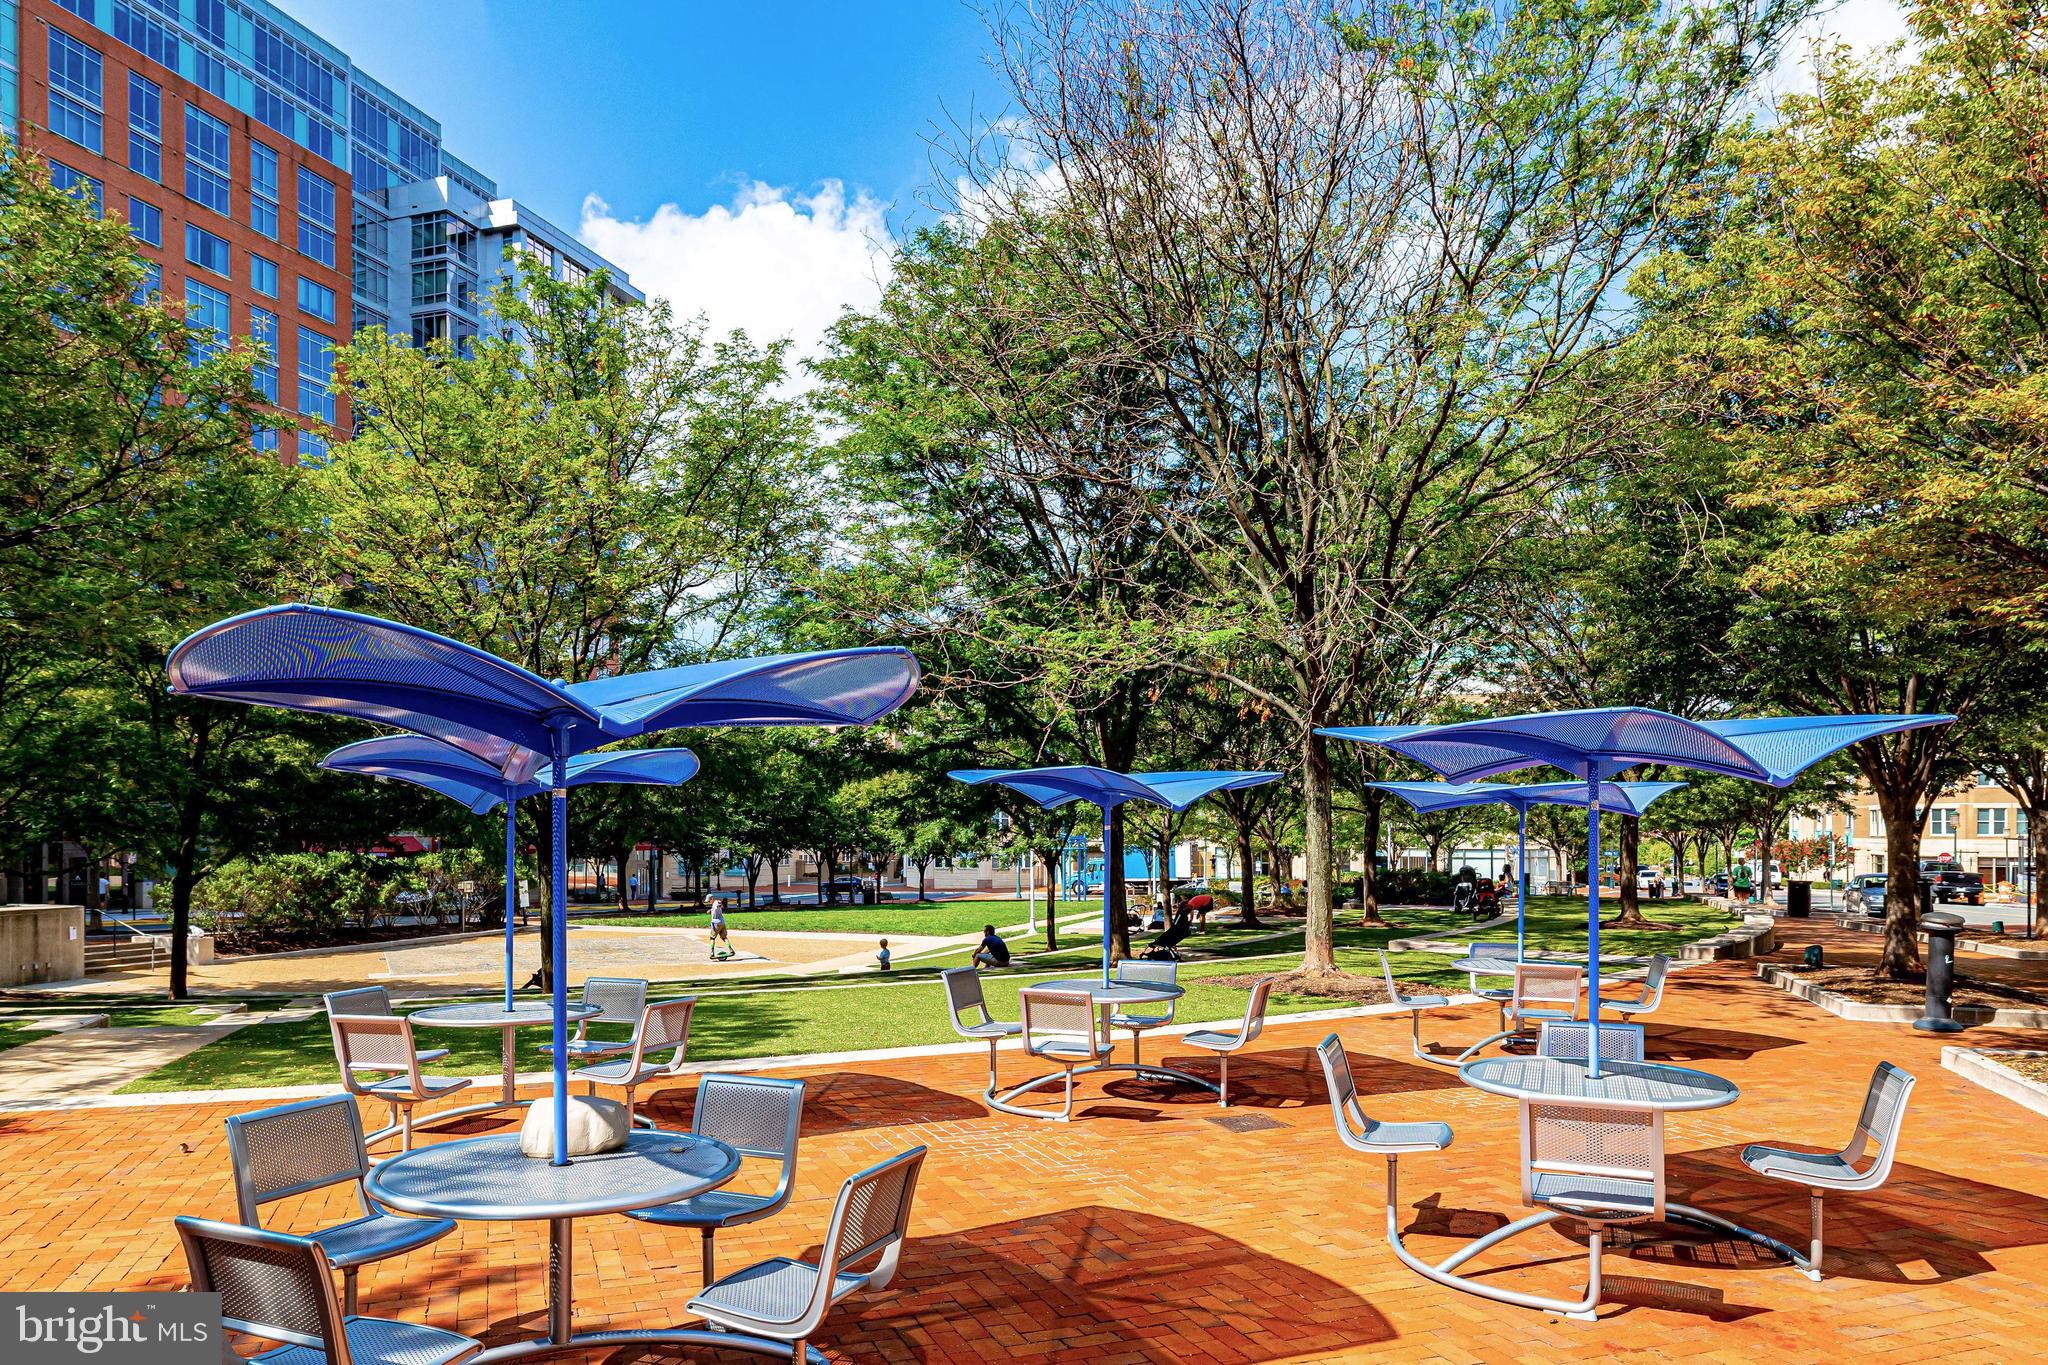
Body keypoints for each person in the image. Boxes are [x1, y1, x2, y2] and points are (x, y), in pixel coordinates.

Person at [707, 896, 732, 960]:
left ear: (712, 898)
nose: (709, 902)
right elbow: (716, 908)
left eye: (709, 900)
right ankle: (731, 950)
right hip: (722, 923)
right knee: (724, 937)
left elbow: (719, 904)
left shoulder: (716, 902)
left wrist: (719, 904)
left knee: (712, 938)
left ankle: (712, 953)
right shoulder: (714, 905)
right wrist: (710, 910)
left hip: (715, 923)